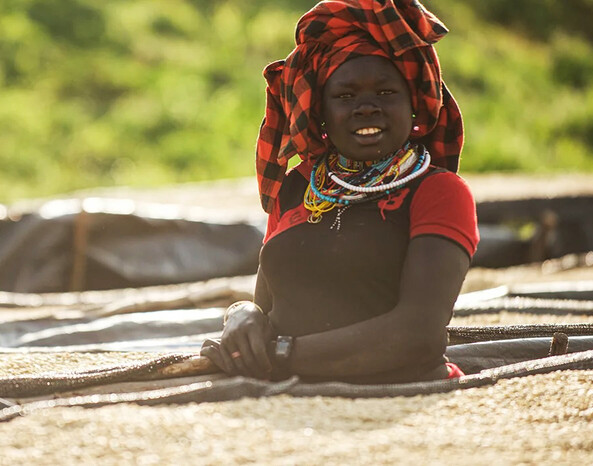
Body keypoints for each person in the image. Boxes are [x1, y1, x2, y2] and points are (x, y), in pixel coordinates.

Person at [201, 0, 478, 383]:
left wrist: (282, 355)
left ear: (413, 104)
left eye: (386, 92)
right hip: (289, 394)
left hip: (401, 394)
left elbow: (418, 335)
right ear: (321, 113)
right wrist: (240, 314)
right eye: (345, 96)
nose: (366, 108)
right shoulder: (297, 186)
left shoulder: (439, 192)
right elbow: (266, 308)